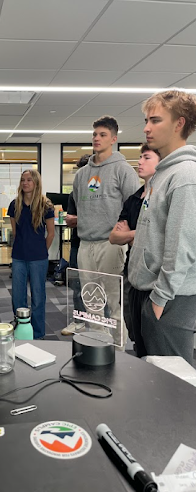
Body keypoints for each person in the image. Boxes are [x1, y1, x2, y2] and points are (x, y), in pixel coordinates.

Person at [128, 89, 196, 364]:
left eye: (155, 120)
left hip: (170, 298)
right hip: (147, 291)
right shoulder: (163, 173)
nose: (146, 128)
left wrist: (160, 299)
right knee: (150, 374)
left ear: (179, 123)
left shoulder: (185, 176)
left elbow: (183, 246)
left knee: (173, 382)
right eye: (146, 120)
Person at [68, 116, 140, 346]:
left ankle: (119, 349)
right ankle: (99, 345)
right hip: (85, 245)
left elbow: (133, 207)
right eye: (95, 135)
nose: (97, 139)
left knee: (113, 301)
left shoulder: (123, 170)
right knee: (92, 301)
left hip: (111, 245)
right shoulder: (81, 175)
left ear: (114, 139)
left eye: (102, 135)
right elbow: (81, 206)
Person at [109, 144, 161, 342]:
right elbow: (114, 237)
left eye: (146, 158)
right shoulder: (132, 199)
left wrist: (129, 234)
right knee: (134, 329)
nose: (139, 162)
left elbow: (158, 235)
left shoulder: (161, 197)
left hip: (154, 275)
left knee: (153, 335)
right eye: (140, 157)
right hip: (132, 269)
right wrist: (137, 234)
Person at [8, 170, 55, 339]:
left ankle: (38, 333)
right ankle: (21, 330)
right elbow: (15, 232)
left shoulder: (46, 205)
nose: (25, 183)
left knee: (38, 296)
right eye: (22, 180)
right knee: (18, 297)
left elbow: (50, 233)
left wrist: (42, 250)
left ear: (36, 183)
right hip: (19, 256)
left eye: (29, 180)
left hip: (38, 258)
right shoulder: (15, 205)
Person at [61, 155, 89, 336]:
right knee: (77, 285)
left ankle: (102, 323)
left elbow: (112, 220)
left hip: (102, 245)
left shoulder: (106, 193)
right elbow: (70, 221)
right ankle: (79, 320)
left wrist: (82, 220)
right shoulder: (74, 194)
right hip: (78, 244)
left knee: (102, 287)